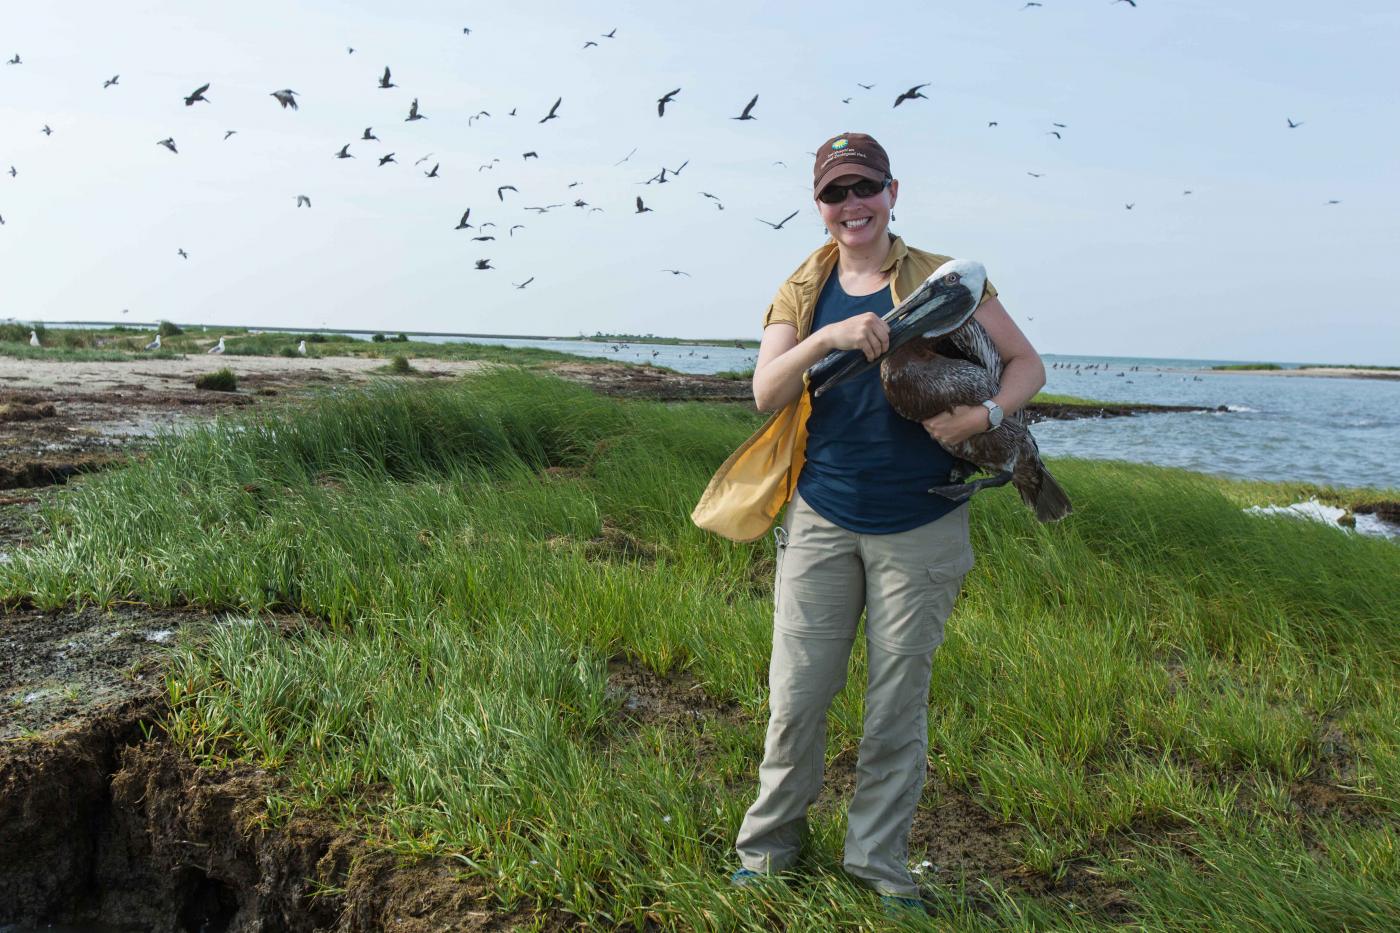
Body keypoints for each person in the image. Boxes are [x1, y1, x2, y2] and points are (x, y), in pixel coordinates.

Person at [691, 133, 1046, 913]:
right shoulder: (804, 287)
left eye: (866, 188)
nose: (852, 205)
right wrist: (829, 336)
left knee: (895, 707)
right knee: (797, 697)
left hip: (922, 524)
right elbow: (766, 393)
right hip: (823, 516)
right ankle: (767, 851)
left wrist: (984, 415)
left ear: (893, 193)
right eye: (835, 193)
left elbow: (1028, 366)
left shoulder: (943, 279)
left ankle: (880, 868)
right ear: (819, 207)